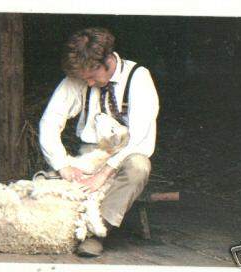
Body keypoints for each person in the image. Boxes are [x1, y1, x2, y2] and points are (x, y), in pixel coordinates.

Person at [39, 27, 159, 257]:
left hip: (127, 153)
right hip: (90, 154)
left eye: (92, 76)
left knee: (139, 167)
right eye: (84, 79)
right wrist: (63, 165)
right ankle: (57, 229)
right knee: (48, 185)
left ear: (108, 60)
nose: (89, 83)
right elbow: (49, 121)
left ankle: (95, 233)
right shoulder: (80, 77)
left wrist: (104, 174)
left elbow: (141, 138)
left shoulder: (138, 77)